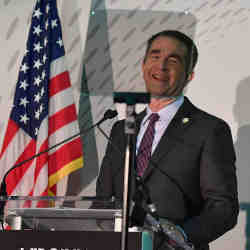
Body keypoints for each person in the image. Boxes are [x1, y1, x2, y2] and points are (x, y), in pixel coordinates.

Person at [95, 30, 239, 250]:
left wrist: (179, 235)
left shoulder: (209, 129)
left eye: (173, 60)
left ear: (189, 74)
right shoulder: (120, 130)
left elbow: (223, 208)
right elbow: (103, 200)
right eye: (155, 56)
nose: (161, 65)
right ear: (143, 66)